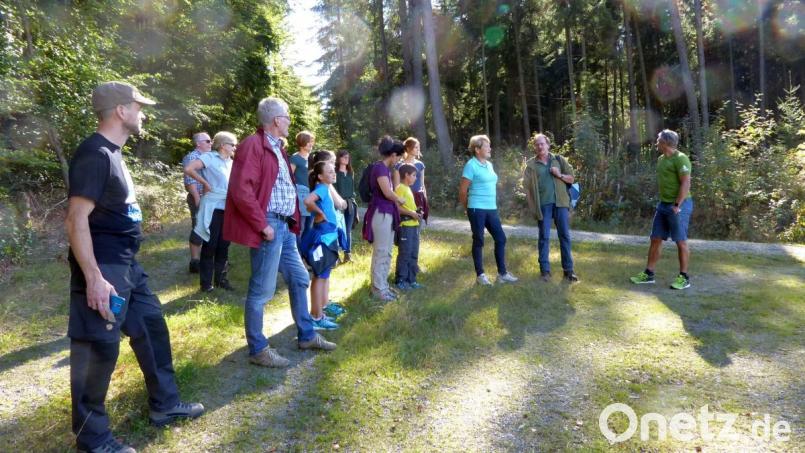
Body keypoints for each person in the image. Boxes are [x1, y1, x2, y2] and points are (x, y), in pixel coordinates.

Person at [65, 81, 203, 453]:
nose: (143, 113)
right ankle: (92, 440)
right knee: (98, 349)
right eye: (138, 106)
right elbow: (76, 220)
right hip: (104, 268)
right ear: (121, 111)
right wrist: (94, 279)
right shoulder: (94, 153)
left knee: (151, 326)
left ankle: (165, 404)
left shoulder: (113, 153)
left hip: (127, 266)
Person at [223, 97, 336, 368]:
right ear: (276, 120)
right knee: (261, 290)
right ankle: (258, 349)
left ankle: (307, 335)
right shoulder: (254, 145)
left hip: (284, 227)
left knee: (299, 278)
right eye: (286, 116)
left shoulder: (278, 148)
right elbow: (241, 190)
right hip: (270, 225)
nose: (289, 120)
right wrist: (262, 225)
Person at [630, 129, 694, 290]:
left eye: (658, 140)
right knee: (656, 238)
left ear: (665, 142)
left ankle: (684, 277)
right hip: (663, 204)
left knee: (680, 240)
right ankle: (649, 274)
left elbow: (686, 183)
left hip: (679, 205)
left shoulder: (681, 159)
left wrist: (677, 205)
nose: (656, 143)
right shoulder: (661, 159)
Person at [458, 135, 518, 286]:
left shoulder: (489, 165)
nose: (490, 148)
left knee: (501, 238)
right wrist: (468, 209)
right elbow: (463, 191)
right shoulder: (471, 165)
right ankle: (480, 275)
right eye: (486, 146)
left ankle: (502, 274)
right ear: (477, 149)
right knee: (479, 240)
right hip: (476, 208)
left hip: (491, 208)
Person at [523, 133, 580, 283]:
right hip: (543, 205)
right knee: (544, 237)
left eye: (542, 143)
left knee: (565, 236)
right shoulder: (531, 165)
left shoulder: (559, 160)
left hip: (561, 203)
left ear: (548, 145)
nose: (540, 146)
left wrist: (559, 174)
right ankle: (545, 272)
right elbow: (527, 189)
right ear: (534, 147)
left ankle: (568, 271)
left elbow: (571, 179)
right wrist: (533, 207)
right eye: (537, 144)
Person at [184, 131, 237, 292]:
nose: (235, 147)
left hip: (228, 207)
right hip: (213, 207)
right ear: (222, 145)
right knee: (210, 245)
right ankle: (206, 284)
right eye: (232, 144)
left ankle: (221, 279)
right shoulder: (210, 157)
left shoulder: (232, 162)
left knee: (224, 245)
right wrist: (205, 183)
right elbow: (189, 168)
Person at [362, 136, 406, 301]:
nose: (400, 159)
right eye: (399, 156)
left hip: (388, 213)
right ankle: (378, 289)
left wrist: (395, 173)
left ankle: (383, 286)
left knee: (387, 252)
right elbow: (388, 192)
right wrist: (400, 199)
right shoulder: (380, 169)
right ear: (393, 154)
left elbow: (393, 187)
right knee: (381, 251)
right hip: (380, 213)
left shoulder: (387, 169)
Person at [301, 161, 344, 330]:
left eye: (334, 171)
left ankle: (320, 312)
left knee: (324, 275)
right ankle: (316, 317)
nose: (334, 174)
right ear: (320, 176)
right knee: (319, 277)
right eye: (330, 172)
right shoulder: (322, 189)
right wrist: (319, 213)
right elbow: (307, 200)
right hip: (324, 236)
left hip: (328, 234)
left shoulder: (325, 189)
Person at [181, 132, 212, 273]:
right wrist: (197, 199)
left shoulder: (209, 157)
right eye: (207, 141)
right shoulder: (192, 157)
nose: (210, 143)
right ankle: (195, 262)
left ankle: (210, 260)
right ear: (198, 143)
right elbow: (190, 181)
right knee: (198, 227)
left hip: (211, 197)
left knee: (211, 227)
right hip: (198, 196)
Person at [394, 164, 423, 290]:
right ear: (406, 175)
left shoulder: (408, 189)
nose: (415, 178)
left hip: (414, 226)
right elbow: (397, 207)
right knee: (405, 253)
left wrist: (416, 212)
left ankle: (412, 279)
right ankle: (401, 280)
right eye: (414, 175)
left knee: (413, 253)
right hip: (405, 226)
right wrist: (411, 214)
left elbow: (408, 207)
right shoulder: (400, 188)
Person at [392, 137, 429, 225]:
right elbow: (396, 186)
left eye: (418, 147)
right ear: (408, 148)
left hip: (418, 197)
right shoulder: (399, 165)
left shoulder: (420, 165)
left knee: (418, 223)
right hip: (405, 199)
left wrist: (425, 198)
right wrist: (398, 201)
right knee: (407, 223)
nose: (418, 149)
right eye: (416, 147)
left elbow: (422, 184)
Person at [290, 131, 315, 250]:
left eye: (312, 141)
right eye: (309, 141)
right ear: (302, 142)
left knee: (310, 227)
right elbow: (289, 177)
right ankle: (297, 254)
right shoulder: (295, 158)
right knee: (301, 226)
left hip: (312, 195)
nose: (311, 144)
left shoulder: (312, 159)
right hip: (300, 195)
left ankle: (304, 253)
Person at [334, 150, 357, 263]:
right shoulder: (334, 172)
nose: (346, 159)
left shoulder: (350, 172)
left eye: (347, 157)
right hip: (338, 203)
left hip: (350, 203)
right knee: (338, 229)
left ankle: (347, 254)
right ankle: (336, 254)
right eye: (343, 157)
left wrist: (353, 202)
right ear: (338, 158)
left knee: (348, 229)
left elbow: (352, 190)